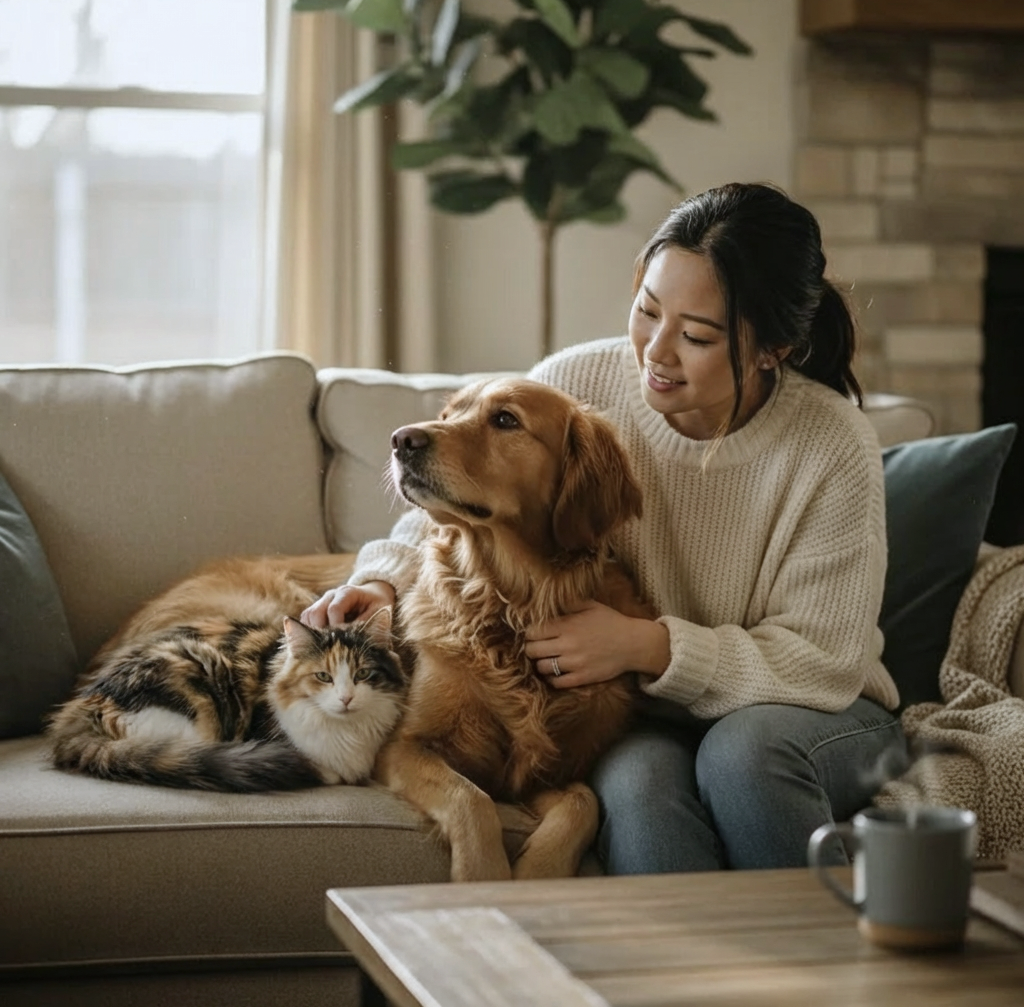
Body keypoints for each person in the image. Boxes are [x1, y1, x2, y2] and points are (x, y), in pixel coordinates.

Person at [302, 181, 906, 874]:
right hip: (650, 715)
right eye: (647, 311)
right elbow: (468, 505)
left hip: (813, 714)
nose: (657, 351)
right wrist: (380, 581)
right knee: (638, 794)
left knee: (743, 755)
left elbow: (825, 663)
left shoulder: (832, 445)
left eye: (698, 335)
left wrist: (648, 646)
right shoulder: (580, 381)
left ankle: (815, 975)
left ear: (774, 348)